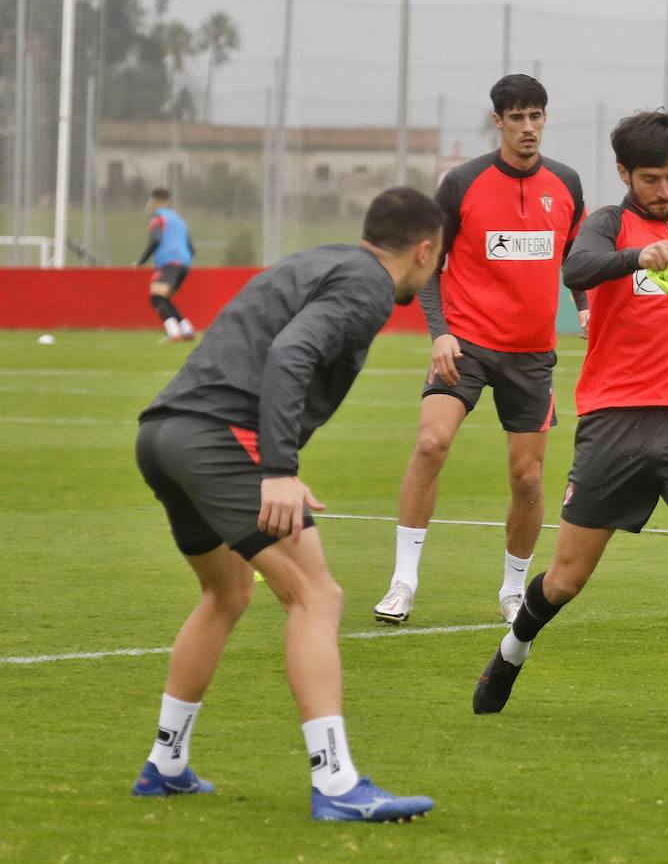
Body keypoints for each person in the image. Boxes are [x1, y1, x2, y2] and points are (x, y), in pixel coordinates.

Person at [131, 187, 444, 819]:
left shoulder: (324, 261)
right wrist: (278, 470)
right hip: (219, 440)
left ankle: (165, 765)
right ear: (425, 249)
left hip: (163, 433)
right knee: (317, 596)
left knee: (227, 593)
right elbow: (291, 352)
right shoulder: (368, 286)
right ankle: (335, 785)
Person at [469, 110, 668, 745]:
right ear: (624, 174)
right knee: (566, 579)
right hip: (615, 424)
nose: (666, 190)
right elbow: (576, 270)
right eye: (652, 179)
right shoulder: (606, 225)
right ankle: (512, 652)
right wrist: (639, 254)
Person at [372, 74, 586, 626]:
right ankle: (402, 582)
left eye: (536, 116)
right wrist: (440, 331)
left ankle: (514, 591)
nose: (528, 128)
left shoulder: (566, 184)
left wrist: (585, 307)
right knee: (430, 444)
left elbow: (575, 258)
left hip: (532, 354)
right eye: (516, 117)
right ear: (498, 121)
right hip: (463, 344)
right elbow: (428, 265)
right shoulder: (461, 183)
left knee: (528, 479)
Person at [137, 188, 197, 342]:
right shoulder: (179, 220)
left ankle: (173, 332)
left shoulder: (158, 218)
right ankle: (186, 329)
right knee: (164, 298)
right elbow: (192, 247)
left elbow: (155, 239)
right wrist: (185, 261)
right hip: (184, 265)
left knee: (156, 298)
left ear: (154, 201)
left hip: (169, 263)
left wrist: (141, 261)